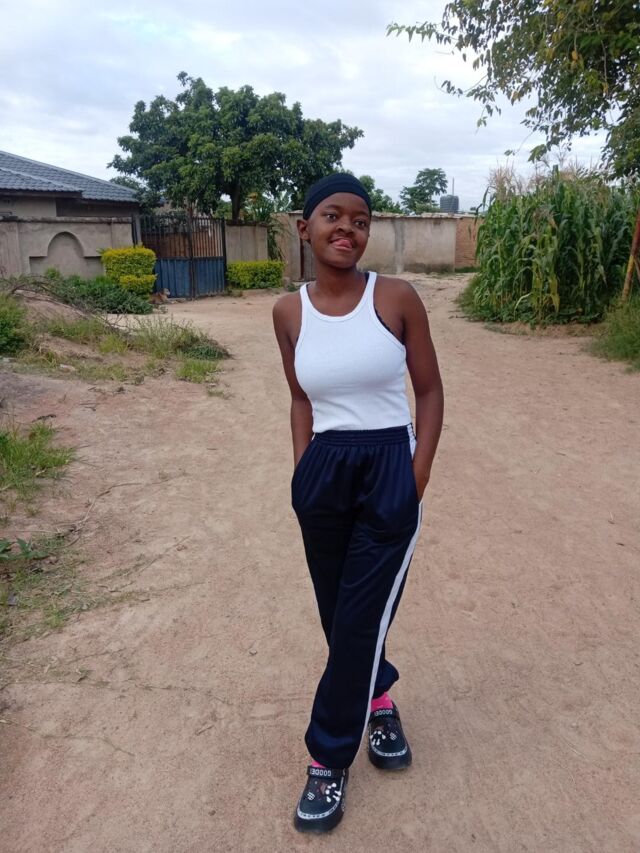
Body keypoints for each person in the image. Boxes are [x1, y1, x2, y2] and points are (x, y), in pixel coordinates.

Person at [272, 173, 444, 833]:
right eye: (333, 216)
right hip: (324, 471)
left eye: (361, 220)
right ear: (305, 228)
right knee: (338, 611)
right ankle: (378, 697)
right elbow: (300, 398)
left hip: (388, 464)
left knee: (360, 614)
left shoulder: (395, 298)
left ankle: (327, 757)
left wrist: (415, 476)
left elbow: (429, 391)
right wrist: (302, 472)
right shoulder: (289, 313)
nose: (348, 228)